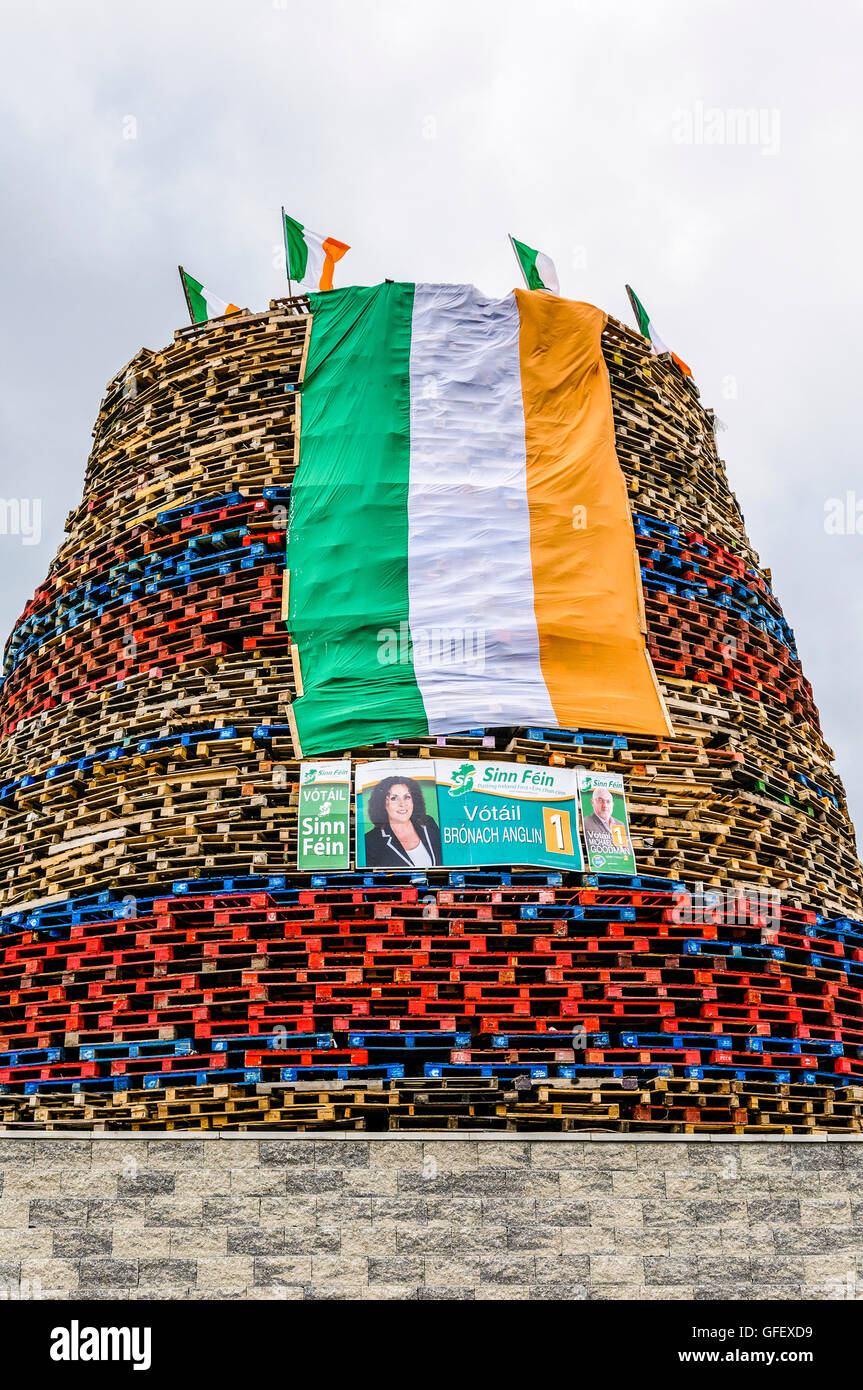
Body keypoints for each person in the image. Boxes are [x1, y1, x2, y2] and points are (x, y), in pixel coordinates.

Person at [364, 775, 442, 868]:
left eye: (407, 797)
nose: (402, 804)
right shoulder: (370, 841)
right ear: (382, 804)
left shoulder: (428, 823)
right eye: (394, 798)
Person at [582, 786, 630, 854]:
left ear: (612, 804)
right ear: (592, 802)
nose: (605, 805)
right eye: (600, 800)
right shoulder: (586, 823)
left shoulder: (620, 824)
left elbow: (626, 850)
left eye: (608, 801)